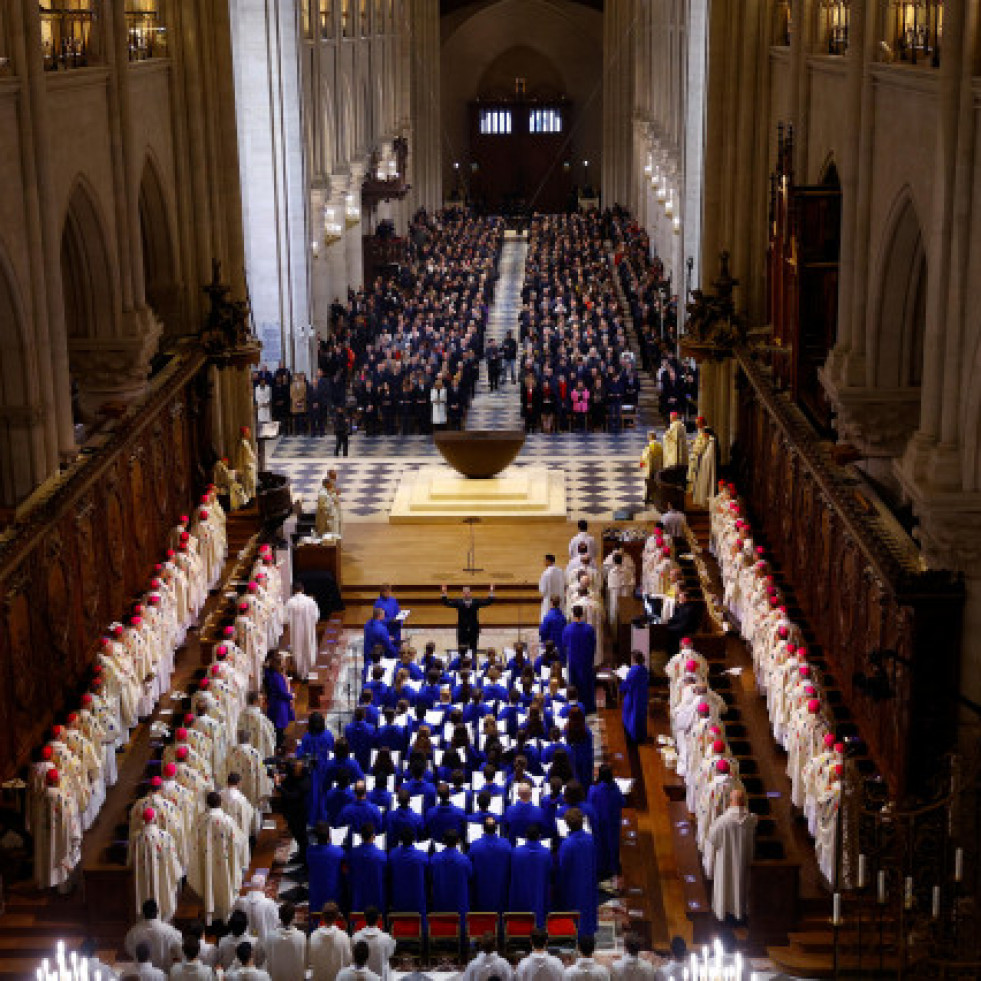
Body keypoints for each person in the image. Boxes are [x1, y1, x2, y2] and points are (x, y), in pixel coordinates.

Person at [187, 791, 250, 925]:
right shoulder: (227, 820)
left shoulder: (200, 820)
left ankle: (210, 918)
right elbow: (239, 841)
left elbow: (193, 842)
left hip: (206, 861)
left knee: (208, 884)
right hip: (225, 862)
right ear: (220, 803)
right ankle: (226, 918)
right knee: (226, 885)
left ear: (207, 803)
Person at [706, 788, 757, 922]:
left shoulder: (721, 822)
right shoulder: (750, 821)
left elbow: (712, 839)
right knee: (741, 886)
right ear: (744, 802)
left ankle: (723, 913)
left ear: (730, 802)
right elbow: (755, 819)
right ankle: (740, 914)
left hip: (725, 864)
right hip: (743, 862)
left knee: (725, 886)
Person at [130, 808, 183, 923]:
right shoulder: (166, 837)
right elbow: (173, 861)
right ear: (154, 819)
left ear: (143, 819)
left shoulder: (136, 838)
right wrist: (177, 873)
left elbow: (131, 859)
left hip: (144, 877)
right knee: (164, 894)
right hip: (163, 876)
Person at [34, 767, 82, 891]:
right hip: (61, 836)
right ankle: (63, 888)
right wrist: (76, 836)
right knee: (61, 856)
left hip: (45, 835)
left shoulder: (40, 796)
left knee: (46, 856)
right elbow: (71, 818)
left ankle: (45, 884)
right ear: (57, 781)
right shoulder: (63, 797)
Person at [557, 809, 598, 937]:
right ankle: (588, 930)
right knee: (587, 904)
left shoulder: (567, 844)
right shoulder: (590, 839)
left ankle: (575, 931)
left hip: (573, 880)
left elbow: (563, 866)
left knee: (574, 906)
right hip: (587, 875)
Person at [508, 824, 552, 926]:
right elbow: (550, 870)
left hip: (520, 894)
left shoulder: (515, 852)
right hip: (539, 893)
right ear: (540, 836)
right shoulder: (546, 853)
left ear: (526, 836)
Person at [588, 766, 625, 882]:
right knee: (613, 845)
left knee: (601, 846)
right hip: (613, 823)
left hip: (599, 823)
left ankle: (602, 870)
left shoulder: (594, 790)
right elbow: (622, 802)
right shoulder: (616, 788)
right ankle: (613, 867)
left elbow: (590, 806)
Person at [469, 817, 512, 913]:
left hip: (480, 889)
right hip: (501, 889)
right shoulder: (506, 845)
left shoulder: (475, 845)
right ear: (496, 828)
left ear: (483, 828)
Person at [124, 899, 182, 971]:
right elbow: (180, 950)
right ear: (157, 911)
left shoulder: (133, 932)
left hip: (141, 975)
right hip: (164, 973)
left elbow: (129, 950)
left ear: (143, 913)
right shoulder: (169, 931)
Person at [440, 584, 495, 656]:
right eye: (464, 593)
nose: (466, 594)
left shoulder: (476, 602)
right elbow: (447, 603)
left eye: (468, 592)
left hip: (473, 628)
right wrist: (444, 592)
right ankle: (462, 661)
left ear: (470, 593)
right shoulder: (458, 602)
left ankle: (473, 661)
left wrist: (491, 591)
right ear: (462, 594)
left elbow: (488, 602)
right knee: (462, 646)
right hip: (462, 628)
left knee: (473, 646)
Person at [562, 606, 597, 714]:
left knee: (574, 684)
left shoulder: (568, 629)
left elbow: (565, 643)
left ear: (573, 614)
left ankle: (574, 707)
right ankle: (588, 707)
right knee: (586, 684)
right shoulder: (589, 629)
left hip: (573, 661)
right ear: (582, 614)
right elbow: (594, 645)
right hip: (586, 661)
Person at [430, 829, 472, 918]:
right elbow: (470, 876)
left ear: (443, 841)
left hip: (440, 902)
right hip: (459, 903)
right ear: (458, 842)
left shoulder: (434, 859)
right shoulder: (464, 860)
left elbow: (430, 876)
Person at [389, 830, 429, 920]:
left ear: (400, 840)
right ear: (414, 839)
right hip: (417, 898)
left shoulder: (393, 854)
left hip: (399, 898)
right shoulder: (422, 855)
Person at [309, 903, 353, 981]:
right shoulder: (344, 937)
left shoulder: (313, 936)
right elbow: (348, 962)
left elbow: (310, 961)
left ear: (322, 916)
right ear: (336, 917)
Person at [284, 583, 319, 681]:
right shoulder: (310, 601)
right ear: (302, 590)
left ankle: (300, 673)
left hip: (296, 632)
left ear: (293, 590)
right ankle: (309, 672)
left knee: (298, 649)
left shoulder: (290, 602)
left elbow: (285, 619)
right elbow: (316, 617)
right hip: (308, 630)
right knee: (309, 647)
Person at [263, 902, 306, 981]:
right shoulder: (301, 936)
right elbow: (304, 961)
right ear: (294, 917)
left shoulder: (270, 937)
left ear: (279, 917)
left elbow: (268, 959)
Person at [348, 826, 388, 912]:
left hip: (358, 898)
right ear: (373, 837)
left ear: (361, 836)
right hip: (376, 897)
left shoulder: (352, 854)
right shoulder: (382, 855)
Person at [351, 907, 396, 981]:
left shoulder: (355, 937)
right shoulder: (386, 938)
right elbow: (389, 954)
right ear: (378, 919)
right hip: (381, 976)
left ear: (364, 919)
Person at [262, 653, 295, 749]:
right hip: (279, 704)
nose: (284, 664)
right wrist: (290, 696)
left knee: (278, 724)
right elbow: (281, 692)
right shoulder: (276, 677)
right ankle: (278, 744)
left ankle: (279, 739)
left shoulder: (273, 674)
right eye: (282, 662)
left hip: (276, 702)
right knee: (279, 725)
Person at [620, 650, 650, 744]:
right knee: (641, 716)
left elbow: (628, 683)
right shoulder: (644, 669)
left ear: (634, 659)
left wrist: (621, 687)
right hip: (642, 696)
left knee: (631, 716)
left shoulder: (633, 670)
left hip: (633, 697)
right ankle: (641, 736)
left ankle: (633, 738)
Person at [639, 431, 664, 507]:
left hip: (650, 469)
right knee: (656, 483)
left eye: (648, 436)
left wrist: (642, 463)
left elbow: (645, 458)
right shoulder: (660, 446)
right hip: (658, 468)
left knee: (649, 483)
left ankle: (648, 499)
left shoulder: (649, 447)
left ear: (650, 437)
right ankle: (656, 498)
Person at [538, 554, 566, 621]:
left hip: (549, 600)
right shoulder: (561, 571)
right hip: (560, 599)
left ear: (548, 561)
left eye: (544, 560)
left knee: (547, 617)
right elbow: (565, 584)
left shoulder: (546, 573)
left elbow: (543, 590)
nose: (544, 562)